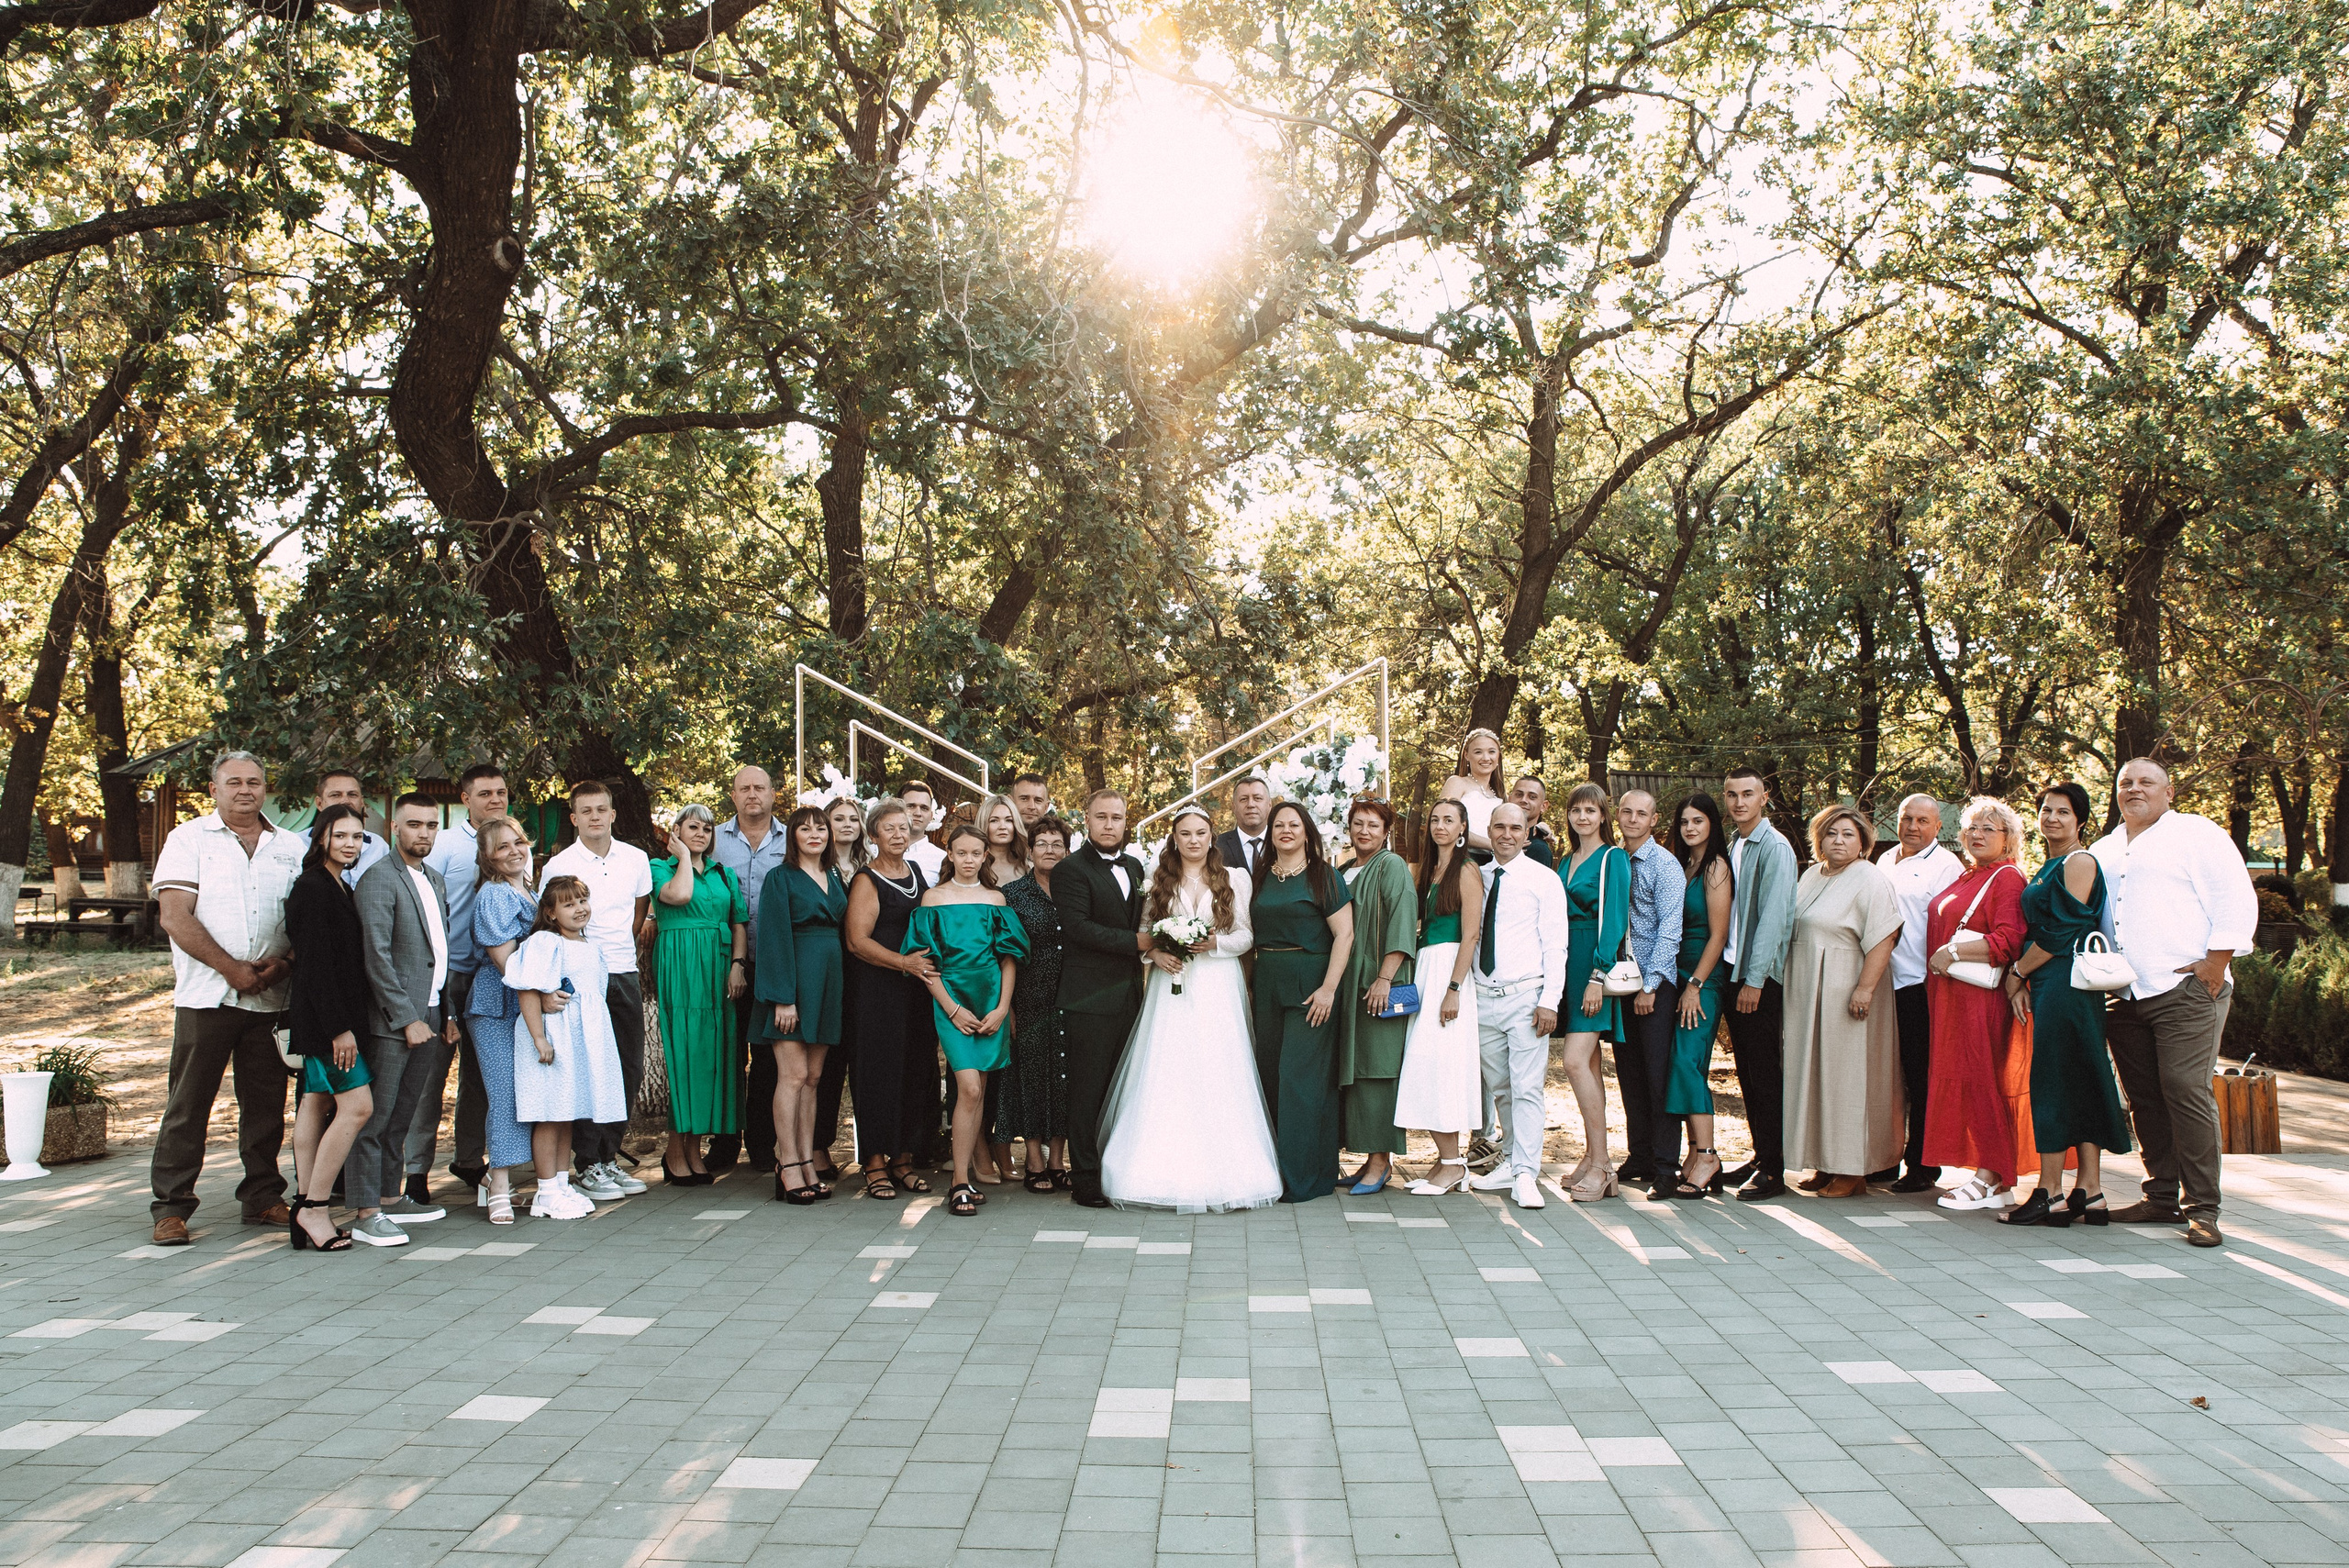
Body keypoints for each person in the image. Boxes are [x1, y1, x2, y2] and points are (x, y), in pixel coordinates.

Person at [2092, 758, 2257, 1247]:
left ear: (2168, 792)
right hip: (2125, 994)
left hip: (2185, 989)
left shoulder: (2196, 834)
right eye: (2126, 782)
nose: (2135, 789)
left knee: (2185, 1089)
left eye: (2147, 782)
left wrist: (2215, 963)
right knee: (2144, 1098)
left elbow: (2234, 898)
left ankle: (2203, 1209)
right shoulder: (2104, 849)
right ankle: (2160, 1197)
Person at [147, 751, 304, 1246]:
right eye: (234, 782)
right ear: (214, 790)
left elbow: (309, 916)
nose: (245, 790)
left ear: (265, 789)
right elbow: (175, 915)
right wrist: (230, 968)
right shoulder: (189, 839)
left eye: (254, 782)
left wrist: (285, 963)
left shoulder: (292, 846)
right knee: (189, 1104)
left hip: (271, 996)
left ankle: (262, 1197)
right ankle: (171, 1207)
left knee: (265, 1105)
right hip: (208, 997)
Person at [1100, 805, 1281, 1211]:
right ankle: (1151, 1169)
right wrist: (1156, 955)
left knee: (1218, 1066)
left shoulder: (1234, 877)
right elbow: (1145, 931)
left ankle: (1233, 1171)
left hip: (1217, 984)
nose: (1193, 840)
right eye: (1185, 833)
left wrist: (1215, 943)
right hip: (1171, 984)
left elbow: (1246, 935)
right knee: (1169, 1065)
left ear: (1211, 836)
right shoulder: (1158, 878)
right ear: (1175, 838)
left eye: (1201, 833)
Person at [2004, 781, 2135, 1227]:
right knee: (2078, 1079)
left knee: (2055, 1081)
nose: (2052, 818)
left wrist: (2017, 972)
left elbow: (2061, 932)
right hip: (2051, 981)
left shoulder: (2079, 861)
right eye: (2046, 809)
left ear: (2080, 820)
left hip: (2067, 983)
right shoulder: (2048, 865)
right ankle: (2090, 1192)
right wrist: (2026, 976)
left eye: (2063, 811)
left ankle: (2050, 1192)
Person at [347, 794, 461, 1246]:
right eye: (415, 824)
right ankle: (366, 1211)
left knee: (403, 1115)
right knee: (374, 1118)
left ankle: (391, 1198)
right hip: (393, 1020)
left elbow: (439, 952)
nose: (424, 833)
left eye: (431, 826)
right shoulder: (379, 879)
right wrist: (405, 1018)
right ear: (395, 827)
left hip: (431, 1012)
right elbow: (375, 956)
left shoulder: (434, 878)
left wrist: (446, 1013)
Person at [906, 823, 1030, 1217]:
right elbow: (924, 963)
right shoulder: (933, 899)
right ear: (950, 854)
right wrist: (952, 1009)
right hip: (951, 1000)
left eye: (976, 853)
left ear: (985, 856)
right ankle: (959, 1180)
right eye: (961, 853)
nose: (969, 860)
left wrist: (1002, 1008)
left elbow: (1008, 959)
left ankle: (966, 1178)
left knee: (980, 1091)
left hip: (990, 1000)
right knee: (970, 1088)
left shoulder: (995, 899)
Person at [1782, 806, 1904, 1198]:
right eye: (1831, 833)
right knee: (1816, 1076)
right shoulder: (1811, 875)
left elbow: (1885, 936)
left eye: (1848, 834)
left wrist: (1864, 989)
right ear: (1819, 839)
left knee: (1849, 1079)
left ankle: (1853, 1169)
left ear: (1863, 842)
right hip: (1808, 991)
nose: (1839, 841)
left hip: (1847, 986)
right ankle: (1825, 1161)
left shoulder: (1869, 878)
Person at [541, 780, 653, 1202]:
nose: (594, 817)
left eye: (601, 809)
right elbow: (550, 922)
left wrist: (618, 947)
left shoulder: (636, 859)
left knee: (627, 1067)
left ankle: (609, 1157)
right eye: (585, 811)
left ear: (612, 814)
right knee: (590, 1069)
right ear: (574, 818)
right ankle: (587, 1163)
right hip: (581, 976)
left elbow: (639, 912)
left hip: (622, 971)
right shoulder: (560, 865)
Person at [410, 763, 517, 1200]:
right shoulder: (446, 845)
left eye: (501, 792)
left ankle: (470, 1159)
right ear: (466, 799)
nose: (495, 799)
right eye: (485, 793)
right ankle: (415, 1171)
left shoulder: (514, 844)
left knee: (482, 1075)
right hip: (449, 972)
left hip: (493, 975)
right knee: (431, 1074)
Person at [1923, 796, 2036, 1211]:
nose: (1978, 834)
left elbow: (2010, 940)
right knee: (1966, 1082)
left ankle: (1992, 1176)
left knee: (1982, 1082)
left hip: (1980, 1000)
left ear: (2009, 838)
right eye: (1972, 827)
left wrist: (1952, 952)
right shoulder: (1971, 874)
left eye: (1989, 828)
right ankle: (1991, 1177)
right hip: (1953, 997)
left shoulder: (2006, 877)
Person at [1250, 801, 1357, 1202]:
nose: (1286, 831)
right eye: (1279, 825)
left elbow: (1345, 935)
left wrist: (1329, 988)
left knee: (1300, 1079)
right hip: (1268, 981)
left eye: (1294, 824)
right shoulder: (1261, 875)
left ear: (1307, 831)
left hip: (1311, 984)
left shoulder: (1323, 875)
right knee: (1270, 1075)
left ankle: (1303, 1179)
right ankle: (1274, 1170)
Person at [282, 804, 374, 1252]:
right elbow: (315, 966)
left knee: (315, 1102)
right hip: (327, 1023)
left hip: (333, 1018)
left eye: (357, 837)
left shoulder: (338, 883)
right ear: (321, 837)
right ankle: (315, 1208)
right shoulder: (313, 888)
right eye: (340, 835)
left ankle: (303, 1205)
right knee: (357, 1108)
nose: (350, 844)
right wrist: (339, 1029)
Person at [1464, 804, 1567, 1209]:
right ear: (1489, 831)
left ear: (1527, 835)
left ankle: (1526, 1174)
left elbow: (1556, 946)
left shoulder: (1544, 879)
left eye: (1515, 828)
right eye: (1499, 827)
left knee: (1527, 1088)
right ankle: (1509, 1159)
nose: (1506, 834)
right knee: (1501, 1088)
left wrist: (1549, 1001)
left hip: (1526, 997)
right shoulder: (1478, 877)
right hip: (1482, 997)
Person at [1054, 790, 1152, 1208]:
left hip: (1130, 995)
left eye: (1116, 817)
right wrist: (1138, 942)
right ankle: (1086, 1179)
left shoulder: (1135, 866)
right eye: (1101, 817)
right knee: (1088, 1091)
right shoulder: (1070, 869)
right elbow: (1078, 928)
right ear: (1087, 820)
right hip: (1089, 999)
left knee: (1121, 1089)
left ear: (1126, 821)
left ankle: (1116, 1171)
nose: (1109, 825)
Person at [509, 875, 628, 1218]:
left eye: (582, 901)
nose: (579, 909)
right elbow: (527, 990)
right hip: (554, 1040)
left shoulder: (590, 946)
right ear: (550, 913)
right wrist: (539, 1038)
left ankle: (561, 1185)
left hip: (579, 1044)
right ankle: (546, 1191)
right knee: (550, 1114)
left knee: (566, 1114)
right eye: (568, 904)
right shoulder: (546, 943)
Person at [844, 797, 942, 1201]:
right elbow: (857, 941)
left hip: (916, 993)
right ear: (873, 836)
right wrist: (904, 962)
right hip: (877, 993)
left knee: (915, 1071)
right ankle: (874, 1164)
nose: (899, 834)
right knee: (877, 1073)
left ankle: (903, 1161)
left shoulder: (917, 873)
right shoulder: (867, 880)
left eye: (904, 827)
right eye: (890, 828)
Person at [649, 805, 749, 1185]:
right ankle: (676, 1149)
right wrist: (682, 857)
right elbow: (678, 895)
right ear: (676, 831)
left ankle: (694, 1149)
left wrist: (737, 965)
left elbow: (738, 922)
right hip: (681, 965)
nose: (701, 834)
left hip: (719, 968)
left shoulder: (724, 873)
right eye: (693, 827)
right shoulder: (661, 868)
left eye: (707, 829)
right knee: (686, 1055)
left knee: (712, 1057)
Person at [752, 807, 848, 1205]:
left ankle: (807, 1161)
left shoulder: (835, 875)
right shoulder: (781, 877)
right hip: (792, 985)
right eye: (804, 828)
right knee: (792, 1077)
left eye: (820, 828)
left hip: (828, 983)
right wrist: (783, 998)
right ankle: (787, 1163)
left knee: (813, 1078)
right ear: (792, 836)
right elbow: (772, 937)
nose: (814, 834)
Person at [1396, 799, 1485, 1195]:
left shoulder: (1467, 870)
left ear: (1463, 827)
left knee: (1441, 1066)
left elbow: (1471, 934)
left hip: (1449, 971)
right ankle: (1445, 1161)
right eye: (1435, 820)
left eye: (1449, 820)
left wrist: (1454, 988)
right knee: (1424, 1065)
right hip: (1426, 969)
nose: (1440, 826)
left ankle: (1453, 1164)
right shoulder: (1429, 870)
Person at [1876, 794, 1961, 1193]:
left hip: (1919, 985)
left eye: (1923, 820)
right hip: (1881, 984)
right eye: (1906, 818)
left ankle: (1924, 1165)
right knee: (1886, 1078)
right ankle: (1884, 1159)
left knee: (1920, 1078)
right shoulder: (1884, 859)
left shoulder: (1946, 867)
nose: (1913, 826)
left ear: (1938, 826)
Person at [1720, 767, 1798, 1201]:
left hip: (1759, 978)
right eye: (1732, 795)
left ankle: (1773, 1169)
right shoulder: (1736, 843)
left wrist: (1755, 980)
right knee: (1747, 1071)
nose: (1739, 802)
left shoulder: (1775, 847)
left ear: (1764, 798)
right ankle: (1759, 1154)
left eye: (1748, 794)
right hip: (1735, 971)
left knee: (1765, 1072)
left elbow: (1773, 919)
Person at [464, 816, 546, 1224]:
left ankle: (500, 1179)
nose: (514, 851)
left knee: (527, 1092)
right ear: (488, 858)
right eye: (502, 846)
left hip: (529, 1003)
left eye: (518, 842)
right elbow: (508, 964)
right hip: (498, 1002)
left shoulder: (530, 891)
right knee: (505, 1094)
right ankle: (498, 1184)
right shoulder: (495, 895)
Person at [1552, 784, 1631, 1201]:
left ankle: (1601, 1163)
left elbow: (1615, 919)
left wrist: (1598, 975)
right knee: (1590, 1065)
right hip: (1566, 962)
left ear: (1603, 816)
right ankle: (1594, 1157)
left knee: (1573, 1061)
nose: (1582, 817)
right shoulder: (1565, 860)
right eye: (1576, 810)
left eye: (1590, 810)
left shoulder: (1612, 858)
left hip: (1592, 966)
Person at [710, 765, 788, 1174]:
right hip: (724, 964)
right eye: (745, 788)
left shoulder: (791, 839)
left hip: (774, 964)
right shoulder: (713, 840)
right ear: (733, 795)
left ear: (773, 794)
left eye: (760, 787)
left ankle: (761, 1143)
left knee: (767, 1058)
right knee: (726, 1054)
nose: (752, 794)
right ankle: (724, 1143)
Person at [1336, 797, 1418, 1195]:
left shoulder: (1391, 866)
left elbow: (1402, 921)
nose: (1364, 831)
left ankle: (1382, 1162)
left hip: (1377, 983)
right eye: (1358, 823)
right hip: (1346, 983)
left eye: (1373, 824)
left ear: (1386, 831)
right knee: (1355, 1070)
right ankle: (1367, 1158)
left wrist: (1385, 978)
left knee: (1378, 1069)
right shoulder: (1342, 870)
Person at [1611, 789, 1686, 1195]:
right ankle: (1638, 1155)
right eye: (1627, 812)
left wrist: (1651, 985)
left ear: (1654, 820)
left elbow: (1669, 930)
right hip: (1620, 983)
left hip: (1653, 986)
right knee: (1630, 1075)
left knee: (1658, 1077)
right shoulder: (1615, 860)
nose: (1633, 819)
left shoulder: (1664, 864)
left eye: (1642, 814)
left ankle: (1665, 1167)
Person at [1662, 795, 1733, 1200]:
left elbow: (1719, 935)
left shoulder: (1716, 867)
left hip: (1702, 977)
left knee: (1688, 1061)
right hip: (1677, 973)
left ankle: (1707, 1155)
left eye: (1698, 821)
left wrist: (1695, 986)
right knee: (1682, 1062)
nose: (1690, 828)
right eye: (1684, 821)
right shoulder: (1684, 864)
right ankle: (1694, 1153)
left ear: (1712, 825)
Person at [999, 816, 1072, 1191]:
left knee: (1064, 1078)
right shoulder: (1013, 894)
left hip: (1070, 996)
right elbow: (1002, 954)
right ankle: (1033, 1159)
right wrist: (1007, 1007)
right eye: (1041, 843)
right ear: (1029, 850)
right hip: (1027, 997)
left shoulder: (1075, 890)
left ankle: (1058, 1159)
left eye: (1057, 844)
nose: (1049, 850)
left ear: (1067, 851)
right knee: (1029, 1077)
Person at [971, 792, 1031, 1184]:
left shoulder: (1029, 865)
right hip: (985, 978)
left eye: (1008, 819)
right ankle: (977, 1147)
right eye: (994, 820)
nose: (1002, 826)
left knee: (1013, 1070)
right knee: (980, 1068)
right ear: (984, 825)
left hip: (1029, 975)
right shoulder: (973, 864)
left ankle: (1003, 1144)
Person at [813, 793, 870, 1179]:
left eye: (853, 818)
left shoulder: (869, 867)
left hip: (864, 976)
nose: (847, 824)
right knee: (827, 1067)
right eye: (838, 818)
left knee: (864, 1066)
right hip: (828, 972)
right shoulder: (818, 867)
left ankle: (874, 1151)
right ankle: (817, 1147)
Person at [297, 768, 388, 885]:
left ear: (362, 802)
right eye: (335, 795)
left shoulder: (378, 846)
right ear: (319, 803)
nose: (345, 801)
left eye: (352, 795)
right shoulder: (297, 844)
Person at [1441, 728, 1506, 857]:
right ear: (1466, 755)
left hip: (1494, 861)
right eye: (1478, 752)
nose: (1486, 758)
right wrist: (1492, 844)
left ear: (1498, 755)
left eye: (1491, 752)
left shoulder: (1501, 796)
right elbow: (1446, 825)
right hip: (1462, 857)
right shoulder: (1457, 783)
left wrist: (1542, 828)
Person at [1215, 775, 1275, 882]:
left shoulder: (1282, 842)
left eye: (1257, 798)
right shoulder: (1217, 847)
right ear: (1234, 807)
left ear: (1269, 804)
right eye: (1244, 799)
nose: (1251, 804)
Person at [898, 779, 947, 883]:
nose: (918, 813)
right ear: (897, 810)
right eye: (911, 806)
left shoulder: (942, 859)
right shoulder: (874, 851)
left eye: (924, 808)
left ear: (931, 816)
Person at [1512, 777, 1559, 868]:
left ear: (1543, 806)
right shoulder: (1498, 836)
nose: (1524, 800)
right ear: (1509, 799)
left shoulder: (1538, 849)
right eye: (1519, 795)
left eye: (1532, 797)